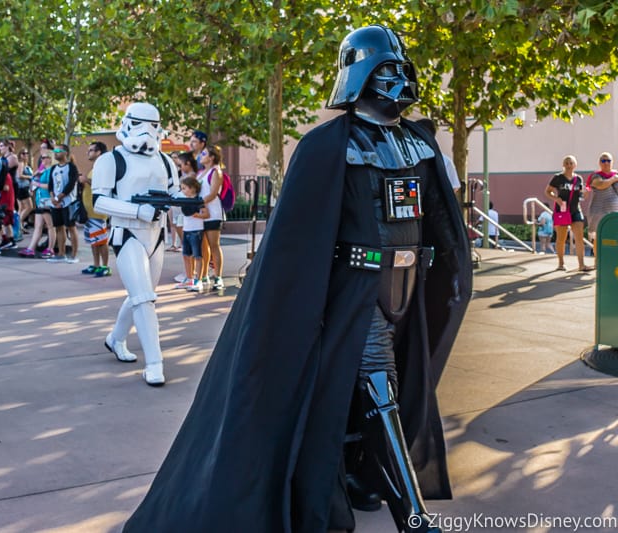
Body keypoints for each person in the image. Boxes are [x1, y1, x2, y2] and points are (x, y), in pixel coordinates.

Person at [123, 25, 471, 533]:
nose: (397, 80)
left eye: (402, 69)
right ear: (361, 75)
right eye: (385, 70)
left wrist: (454, 268)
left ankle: (361, 478)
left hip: (410, 288)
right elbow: (297, 239)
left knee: (379, 386)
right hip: (357, 288)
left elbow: (440, 214)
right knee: (380, 386)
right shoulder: (327, 146)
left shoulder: (418, 141)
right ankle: (413, 517)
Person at [91, 102, 178, 386]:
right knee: (143, 298)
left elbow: (174, 195)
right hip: (127, 232)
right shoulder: (110, 161)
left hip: (156, 234)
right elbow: (99, 201)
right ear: (127, 123)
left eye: (153, 126)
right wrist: (136, 210)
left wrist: (185, 205)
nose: (147, 132)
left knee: (143, 295)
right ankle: (155, 363)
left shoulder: (166, 162)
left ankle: (116, 339)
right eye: (141, 124)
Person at [545, 155, 593, 272]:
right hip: (561, 211)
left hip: (575, 211)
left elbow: (581, 195)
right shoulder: (558, 178)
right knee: (561, 238)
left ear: (575, 165)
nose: (569, 165)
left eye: (571, 163)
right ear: (563, 165)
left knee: (579, 238)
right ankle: (561, 263)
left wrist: (585, 193)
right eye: (566, 163)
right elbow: (547, 191)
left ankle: (581, 265)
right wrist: (556, 199)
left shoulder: (579, 179)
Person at [80, 141, 111, 277]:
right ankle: (96, 264)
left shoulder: (103, 167)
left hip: (99, 211)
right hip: (90, 211)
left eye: (91, 150)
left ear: (99, 152)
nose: (89, 152)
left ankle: (105, 266)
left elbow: (103, 185)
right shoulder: (95, 167)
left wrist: (86, 180)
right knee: (94, 241)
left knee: (101, 241)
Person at [197, 145, 226, 290]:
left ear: (212, 157)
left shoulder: (216, 172)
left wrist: (198, 202)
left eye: (204, 153)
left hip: (213, 213)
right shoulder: (201, 173)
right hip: (201, 213)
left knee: (214, 245)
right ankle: (204, 275)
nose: (201, 156)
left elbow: (213, 193)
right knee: (203, 246)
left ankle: (218, 276)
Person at [174, 176, 209, 292]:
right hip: (187, 229)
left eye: (184, 188)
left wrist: (198, 215)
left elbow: (206, 214)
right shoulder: (185, 200)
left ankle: (198, 280)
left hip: (196, 230)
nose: (182, 191)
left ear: (192, 188)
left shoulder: (198, 200)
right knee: (186, 255)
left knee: (197, 256)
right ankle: (189, 278)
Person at [47, 144, 79, 263]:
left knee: (71, 227)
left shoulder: (71, 167)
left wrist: (60, 197)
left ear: (65, 152)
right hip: (55, 203)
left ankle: (74, 255)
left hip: (68, 201)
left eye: (58, 150)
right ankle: (61, 253)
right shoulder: (54, 168)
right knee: (59, 227)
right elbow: (51, 185)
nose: (55, 153)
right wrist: (53, 198)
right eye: (54, 151)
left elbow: (71, 183)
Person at [19, 156, 56, 258]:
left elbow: (50, 186)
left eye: (45, 157)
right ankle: (31, 248)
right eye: (42, 158)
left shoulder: (51, 171)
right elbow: (33, 179)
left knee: (50, 225)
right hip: (39, 200)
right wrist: (35, 177)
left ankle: (50, 248)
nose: (42, 159)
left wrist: (37, 184)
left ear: (50, 158)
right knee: (38, 226)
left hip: (47, 200)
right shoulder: (42, 170)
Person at [585, 152, 618, 258]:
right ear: (600, 162)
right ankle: (597, 263)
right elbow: (601, 185)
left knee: (614, 238)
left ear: (612, 162)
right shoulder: (596, 175)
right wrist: (614, 179)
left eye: (608, 160)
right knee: (598, 238)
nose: (606, 163)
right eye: (603, 160)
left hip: (615, 213)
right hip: (598, 213)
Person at [15, 148, 34, 232]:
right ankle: (18, 223)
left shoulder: (27, 165)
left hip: (23, 187)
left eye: (26, 153)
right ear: (20, 155)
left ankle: (20, 227)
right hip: (22, 188)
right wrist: (31, 177)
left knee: (21, 208)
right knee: (29, 207)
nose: (25, 155)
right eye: (23, 153)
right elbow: (19, 175)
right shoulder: (21, 163)